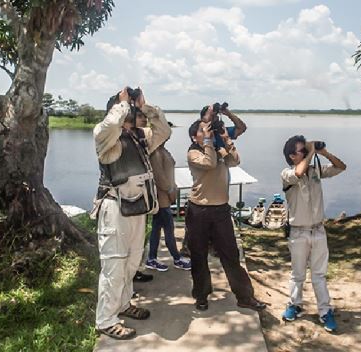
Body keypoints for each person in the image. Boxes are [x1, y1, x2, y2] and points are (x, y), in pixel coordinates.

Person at [92, 87, 171, 339]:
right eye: (125, 107)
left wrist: (145, 107)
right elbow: (111, 124)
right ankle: (105, 319)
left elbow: (164, 131)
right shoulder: (104, 137)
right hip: (114, 208)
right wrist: (121, 102)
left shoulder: (138, 137)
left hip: (137, 208)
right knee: (114, 266)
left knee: (131, 262)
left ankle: (123, 304)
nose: (129, 111)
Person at [186, 105, 265, 312]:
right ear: (195, 137)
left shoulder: (218, 147)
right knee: (199, 255)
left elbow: (235, 160)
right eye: (202, 131)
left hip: (220, 210)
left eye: (207, 130)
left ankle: (245, 296)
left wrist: (225, 138)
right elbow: (210, 163)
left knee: (230, 254)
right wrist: (209, 141)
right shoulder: (193, 153)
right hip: (199, 210)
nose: (207, 133)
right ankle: (201, 295)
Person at [280, 135, 346, 332]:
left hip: (318, 230)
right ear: (292, 156)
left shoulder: (315, 169)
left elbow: (341, 167)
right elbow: (298, 173)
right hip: (298, 232)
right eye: (302, 150)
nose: (307, 152)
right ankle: (294, 305)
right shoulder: (287, 173)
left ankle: (325, 311)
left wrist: (322, 152)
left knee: (319, 275)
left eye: (306, 150)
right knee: (297, 274)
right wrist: (311, 153)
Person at [179, 104, 247, 257]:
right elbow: (209, 163)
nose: (213, 120)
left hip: (220, 192)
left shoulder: (218, 134)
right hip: (202, 198)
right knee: (196, 238)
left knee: (221, 237)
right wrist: (208, 135)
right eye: (211, 116)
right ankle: (191, 249)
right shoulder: (195, 149)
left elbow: (241, 129)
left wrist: (226, 118)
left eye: (215, 116)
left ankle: (215, 246)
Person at [145, 140, 191, 271]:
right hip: (162, 199)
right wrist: (171, 192)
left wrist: (172, 188)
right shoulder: (156, 153)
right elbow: (159, 177)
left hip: (165, 197)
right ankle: (176, 258)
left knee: (156, 229)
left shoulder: (162, 150)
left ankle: (151, 258)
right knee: (168, 229)